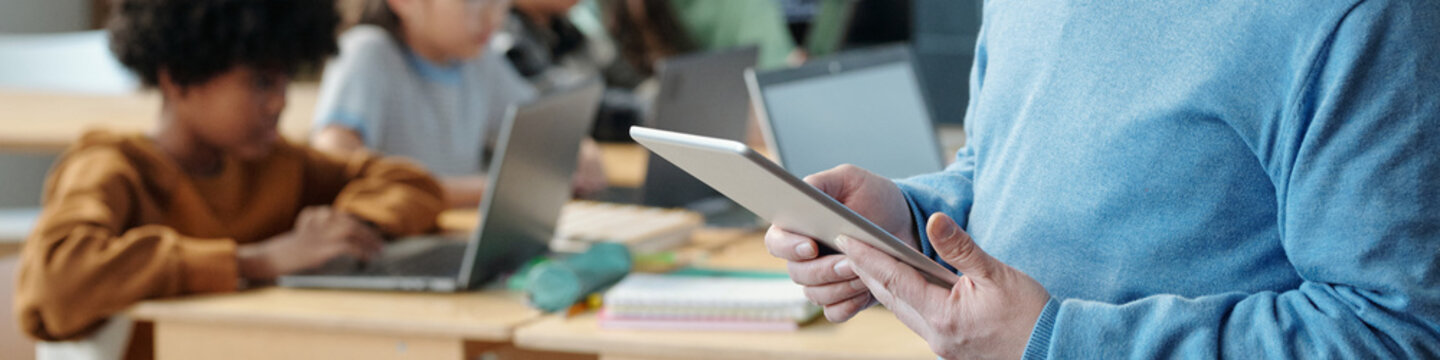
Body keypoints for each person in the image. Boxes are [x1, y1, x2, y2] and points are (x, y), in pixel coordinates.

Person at [766, 1, 1440, 358]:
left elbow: (1396, 332)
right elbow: (997, 165)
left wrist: (1056, 343)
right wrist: (910, 221)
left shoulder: (1358, 16)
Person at [14, 0, 446, 341]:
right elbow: (55, 279)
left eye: (284, 81)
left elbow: (409, 183)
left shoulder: (274, 163)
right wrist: (258, 261)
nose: (280, 103)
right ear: (179, 77)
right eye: (260, 82)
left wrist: (345, 228)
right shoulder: (113, 167)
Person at [311, 0, 607, 208]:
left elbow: (545, 125)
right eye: (473, 3)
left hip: (449, 233)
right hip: (388, 241)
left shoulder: (477, 60)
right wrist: (484, 190)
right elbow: (333, 166)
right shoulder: (368, 52)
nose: (493, 18)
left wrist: (579, 147)